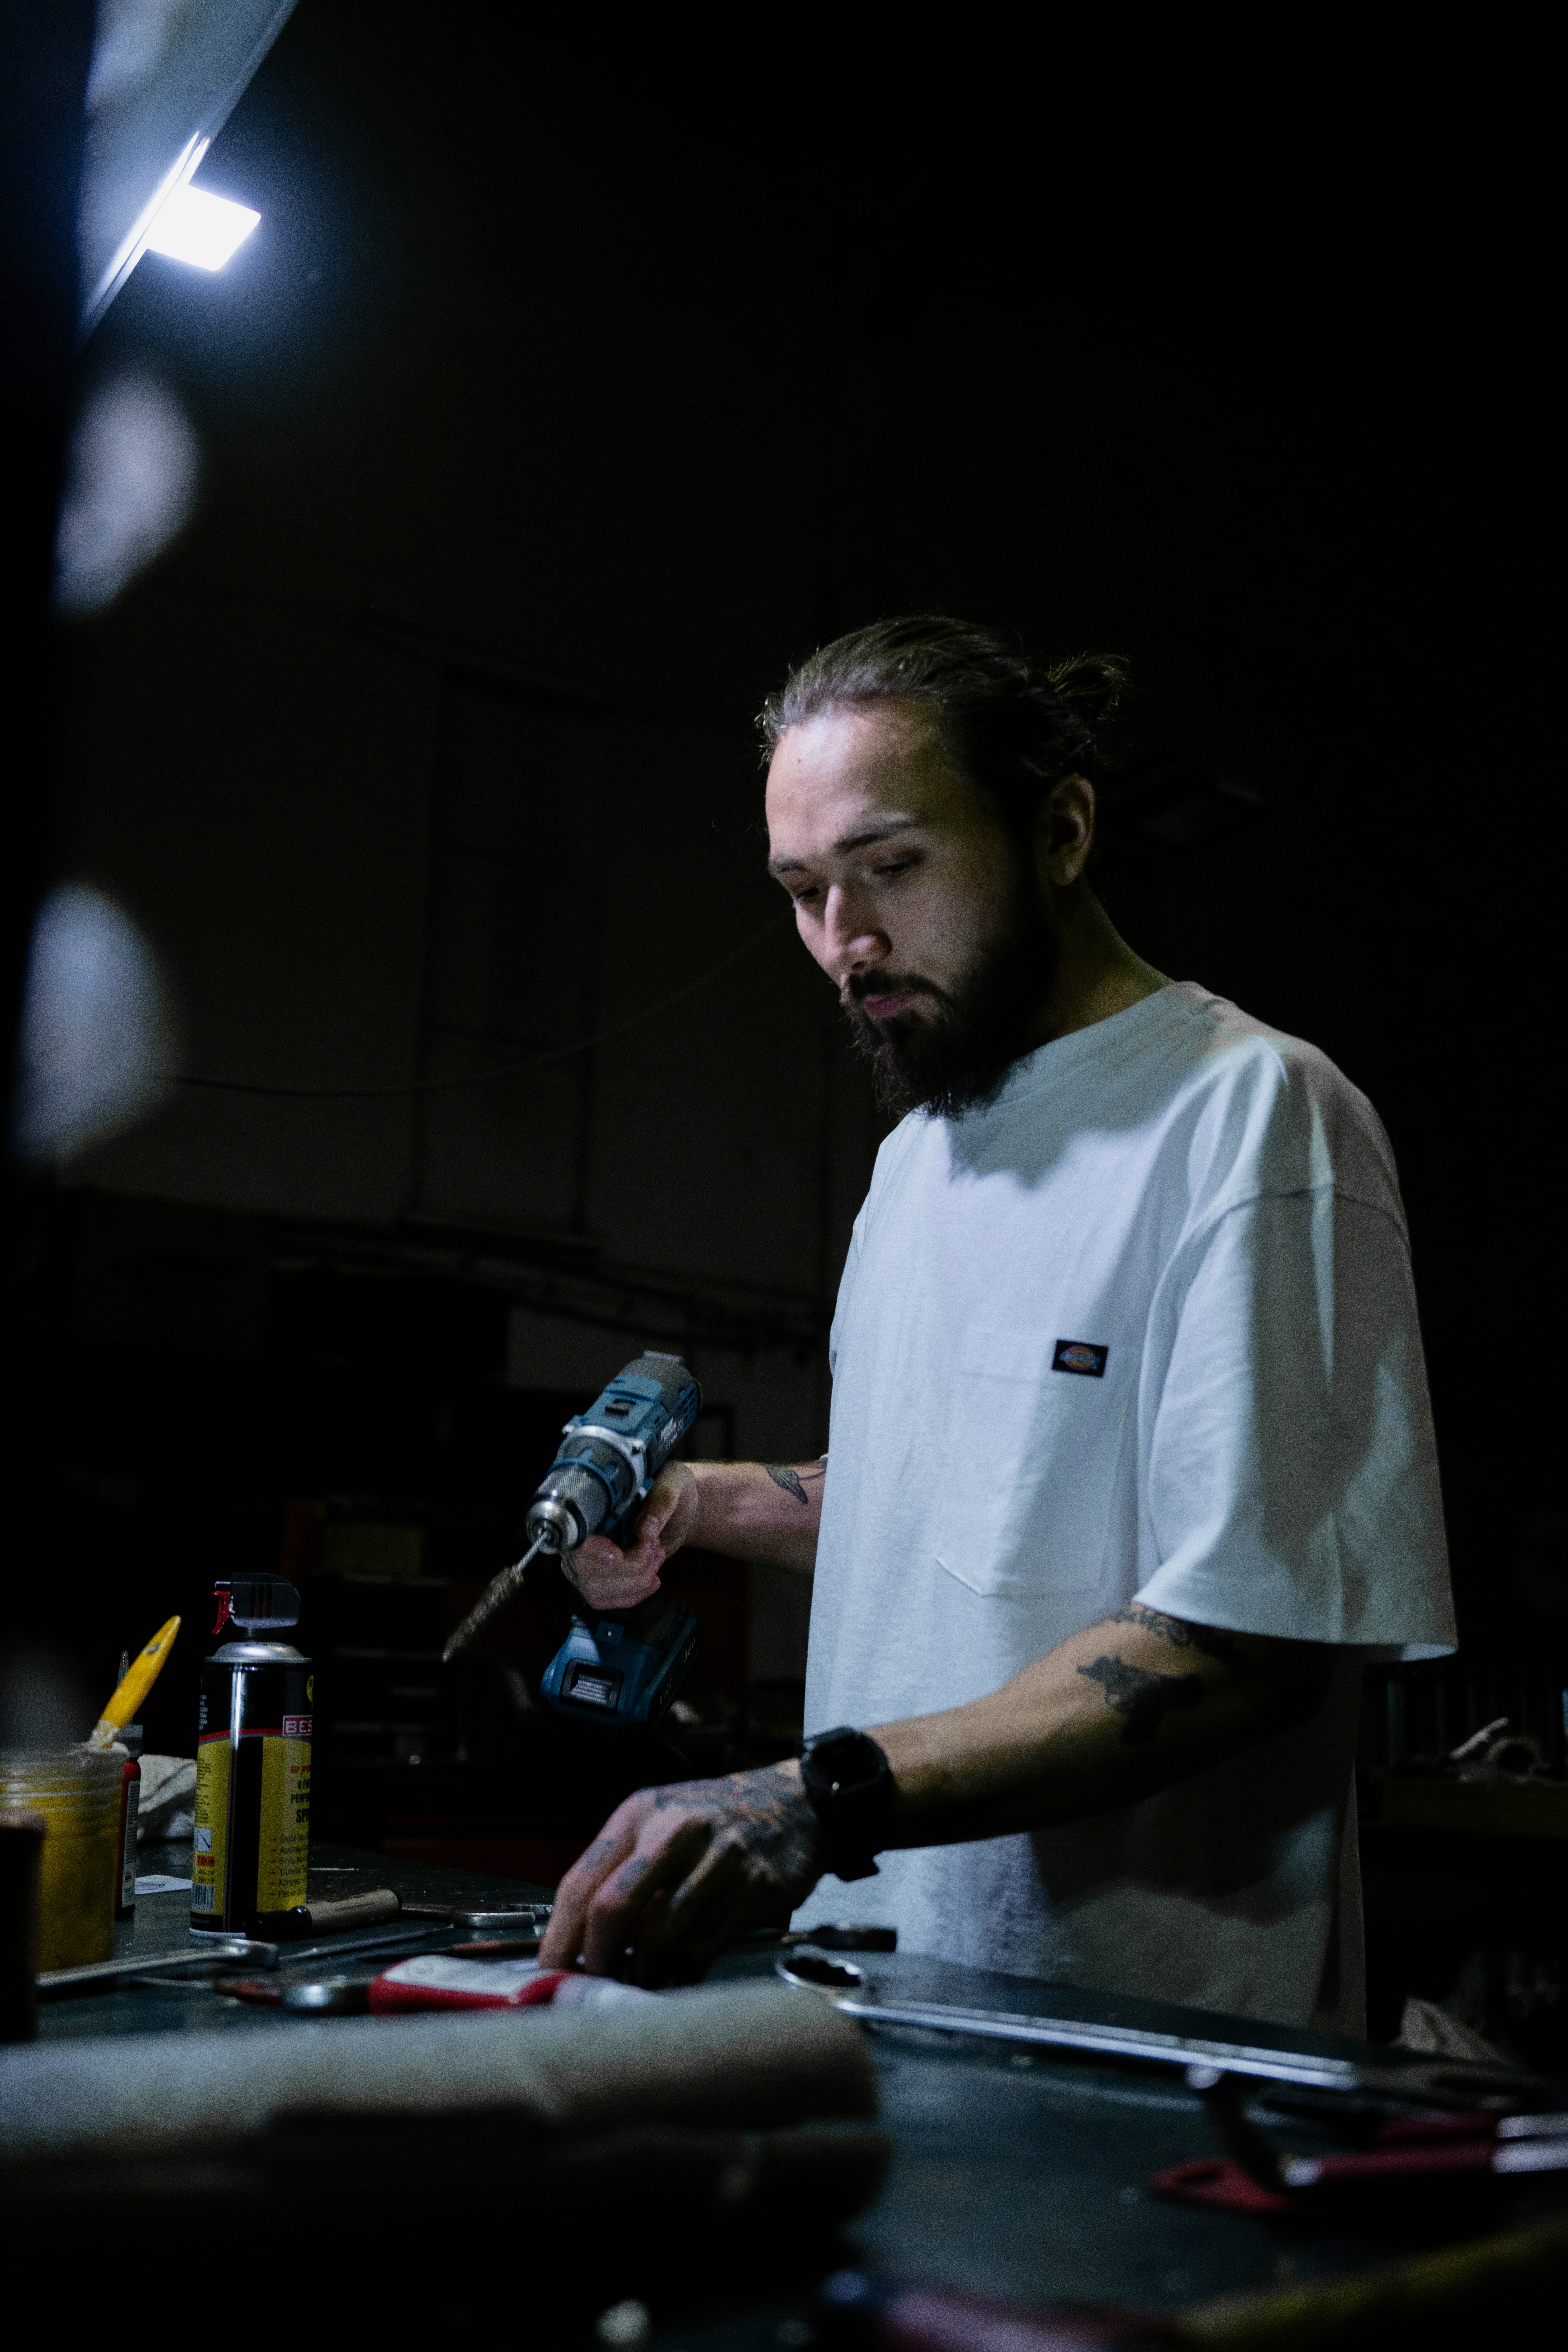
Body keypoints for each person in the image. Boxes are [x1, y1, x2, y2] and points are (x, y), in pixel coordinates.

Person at [538, 617, 1454, 2029]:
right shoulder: (924, 1153)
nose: (843, 943)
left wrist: (818, 1794)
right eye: (801, 892)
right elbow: (975, 1508)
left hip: (1137, 2048)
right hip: (875, 1993)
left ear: (1063, 830)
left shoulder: (1254, 1119)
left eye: (891, 867)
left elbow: (1251, 1642)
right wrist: (711, 1501)